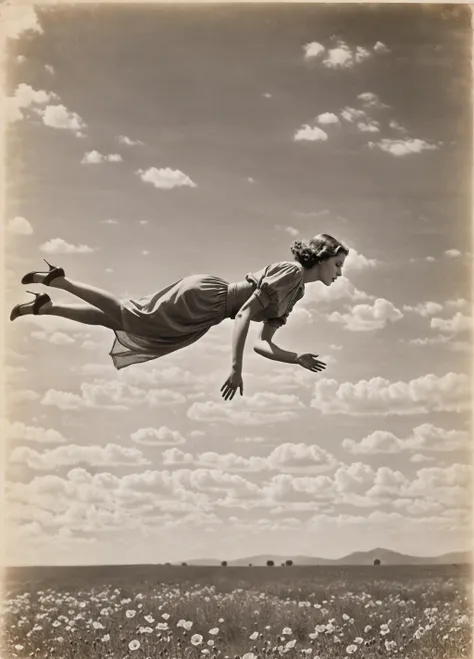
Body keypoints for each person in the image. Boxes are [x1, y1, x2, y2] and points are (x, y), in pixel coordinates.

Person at [10, 233, 348, 400]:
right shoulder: (289, 272)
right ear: (320, 258)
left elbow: (263, 343)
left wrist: (295, 358)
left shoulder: (296, 293)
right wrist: (234, 368)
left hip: (206, 314)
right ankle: (61, 281)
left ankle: (46, 306)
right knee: (129, 314)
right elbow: (245, 313)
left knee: (120, 320)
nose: (339, 273)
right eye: (337, 265)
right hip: (205, 300)